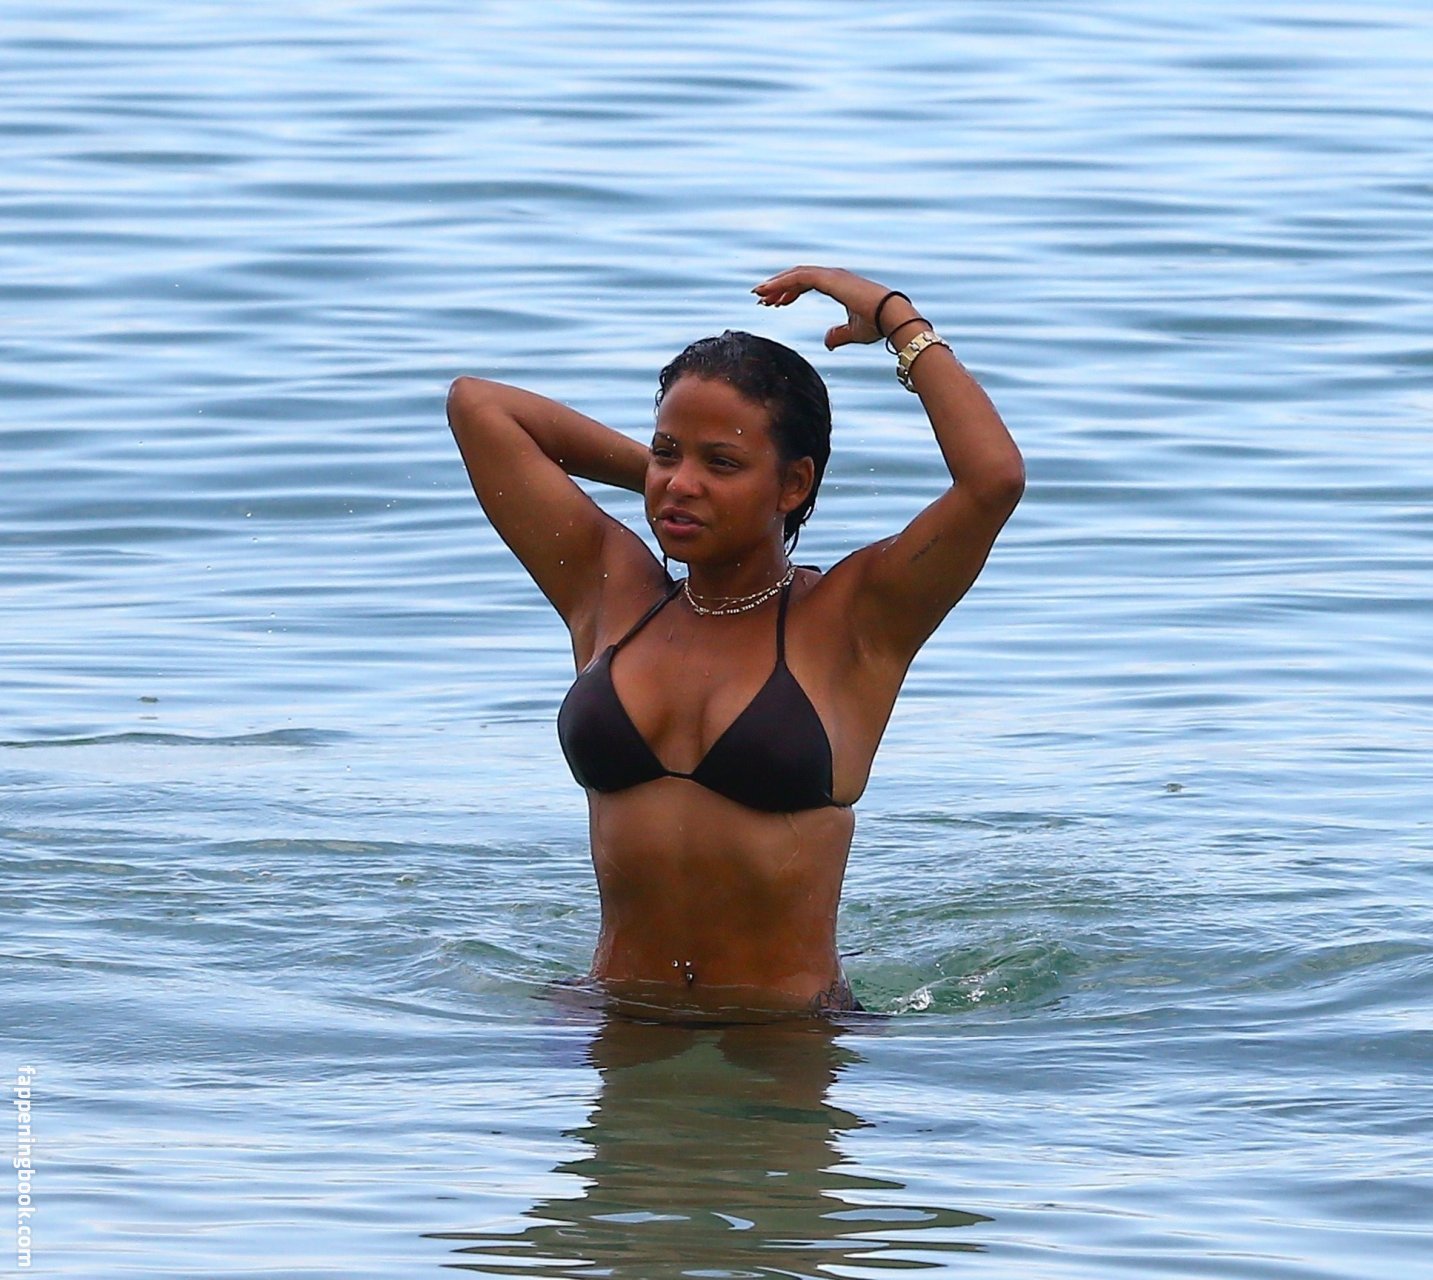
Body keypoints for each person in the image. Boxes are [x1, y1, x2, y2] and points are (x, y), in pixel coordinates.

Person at [448, 265, 1023, 1020]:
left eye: (721, 462)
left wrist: (896, 320)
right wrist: (684, 486)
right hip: (614, 1018)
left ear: (795, 485)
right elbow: (479, 406)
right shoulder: (610, 589)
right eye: (667, 452)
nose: (680, 481)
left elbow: (992, 480)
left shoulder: (853, 619)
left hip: (786, 1039)